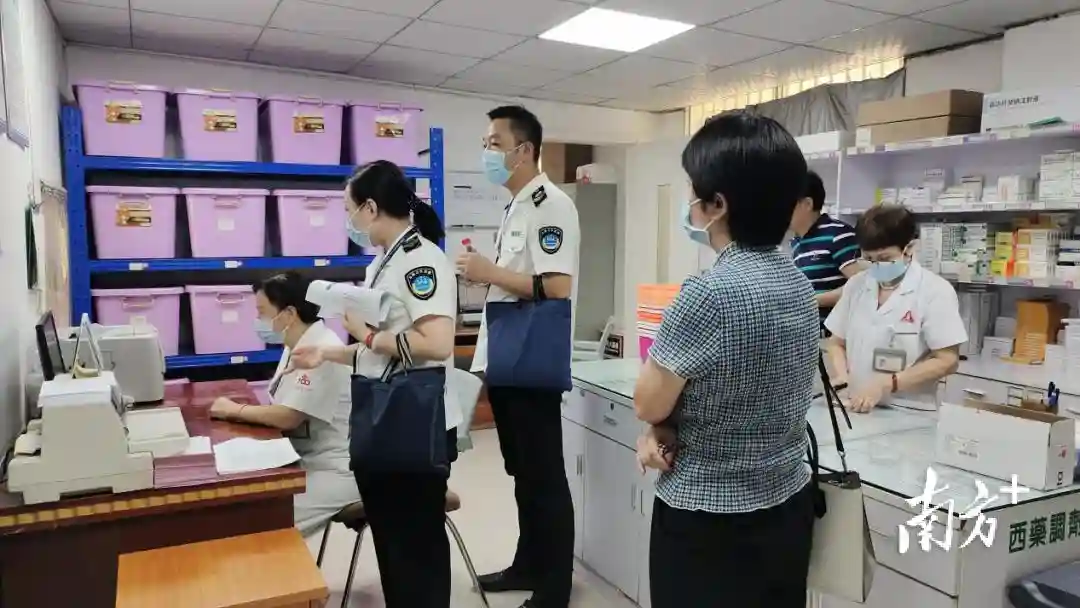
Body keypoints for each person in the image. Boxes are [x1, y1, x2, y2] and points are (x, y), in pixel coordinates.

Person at [633, 111, 819, 608]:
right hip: (787, 506)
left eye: (694, 193)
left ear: (717, 205)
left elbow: (649, 403)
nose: (690, 204)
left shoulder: (708, 293)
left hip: (710, 522)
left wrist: (658, 426)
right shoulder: (800, 285)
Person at [289, 160, 460, 608]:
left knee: (415, 549)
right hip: (383, 418)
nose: (349, 221)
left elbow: (436, 343)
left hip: (414, 422)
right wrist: (328, 353)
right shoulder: (383, 263)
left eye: (350, 210)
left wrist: (365, 335)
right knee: (394, 548)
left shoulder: (420, 260)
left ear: (370, 208)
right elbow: (381, 352)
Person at [457, 105, 579, 608]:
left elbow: (556, 286)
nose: (487, 152)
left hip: (531, 363)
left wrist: (488, 272)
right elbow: (517, 282)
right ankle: (527, 564)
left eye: (494, 143)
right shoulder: (517, 205)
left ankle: (555, 586)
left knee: (544, 477)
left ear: (523, 150)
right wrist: (486, 275)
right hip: (508, 359)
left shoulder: (551, 205)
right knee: (523, 474)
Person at [209, 271, 358, 538]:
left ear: (289, 314)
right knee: (240, 500)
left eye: (262, 312)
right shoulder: (296, 343)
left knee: (263, 523)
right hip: (302, 457)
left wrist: (234, 410)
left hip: (333, 468)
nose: (259, 321)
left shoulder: (322, 348)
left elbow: (289, 416)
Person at [824, 205, 967, 413]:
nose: (876, 266)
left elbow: (947, 360)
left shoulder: (934, 291)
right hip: (857, 406)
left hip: (908, 409)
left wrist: (888, 384)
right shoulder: (856, 285)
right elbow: (836, 342)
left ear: (909, 248)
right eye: (869, 259)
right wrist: (842, 376)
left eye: (884, 259)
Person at [789, 170, 862, 318]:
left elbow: (862, 286)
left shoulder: (838, 234)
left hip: (834, 329)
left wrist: (811, 301)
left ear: (807, 204)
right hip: (810, 327)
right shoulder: (796, 242)